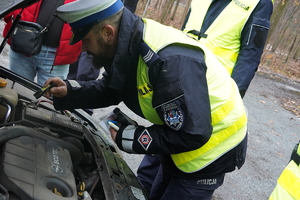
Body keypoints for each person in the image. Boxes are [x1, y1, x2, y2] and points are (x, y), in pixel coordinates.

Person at [44, 0, 248, 199]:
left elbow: (192, 134)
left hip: (213, 149)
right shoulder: (128, 42)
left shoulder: (168, 61)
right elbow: (111, 88)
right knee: (150, 191)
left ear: (108, 33)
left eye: (86, 40)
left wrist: (128, 136)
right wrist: (70, 91)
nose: (83, 48)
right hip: (180, 133)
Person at [137, 0, 273, 193]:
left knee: (187, 159)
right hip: (177, 83)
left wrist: (230, 97)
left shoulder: (257, 3)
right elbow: (181, 34)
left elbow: (249, 59)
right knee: (158, 150)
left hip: (211, 96)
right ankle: (140, 188)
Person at [182, 0, 273, 98]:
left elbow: (250, 56)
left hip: (213, 85)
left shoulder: (261, 2)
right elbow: (186, 29)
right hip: (177, 69)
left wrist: (234, 97)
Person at [2, 0, 81, 86]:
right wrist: (10, 16)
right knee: (17, 90)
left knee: (49, 97)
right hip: (22, 44)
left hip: (57, 56)